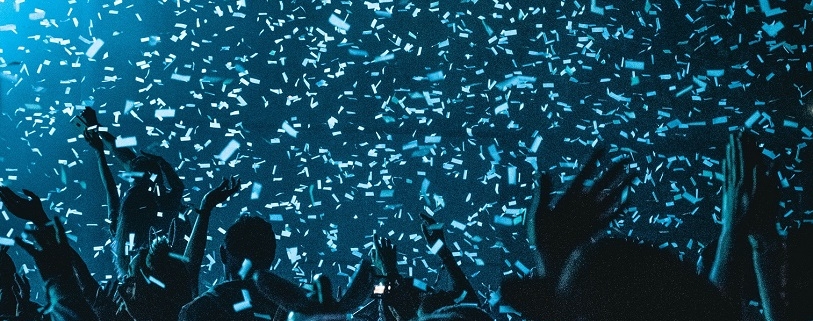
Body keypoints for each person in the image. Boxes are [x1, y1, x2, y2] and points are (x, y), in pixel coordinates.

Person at [179, 215, 282, 320]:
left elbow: (186, 283)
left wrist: (204, 211)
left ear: (223, 253)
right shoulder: (289, 309)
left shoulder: (201, 309)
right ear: (272, 257)